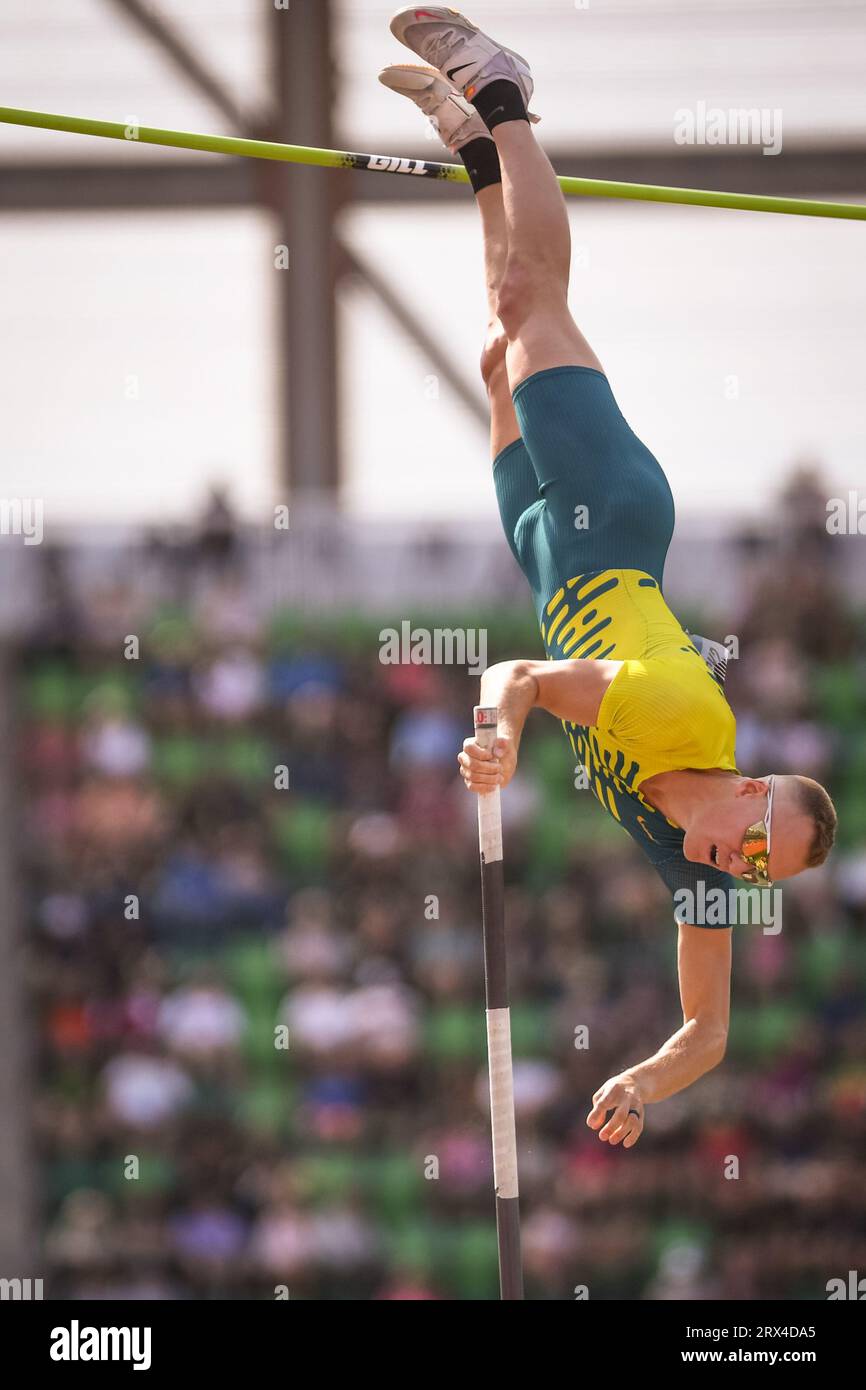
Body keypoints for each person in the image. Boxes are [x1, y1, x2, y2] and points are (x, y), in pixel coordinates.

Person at [381, 7, 837, 1149]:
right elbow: (521, 674)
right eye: (753, 837)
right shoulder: (676, 715)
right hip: (613, 520)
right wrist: (497, 732)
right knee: (533, 297)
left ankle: (478, 158)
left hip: (547, 551)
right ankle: (504, 99)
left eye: (752, 871)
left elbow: (707, 1033)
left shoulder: (695, 866)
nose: (737, 865)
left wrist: (642, 1078)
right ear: (751, 787)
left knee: (500, 330)